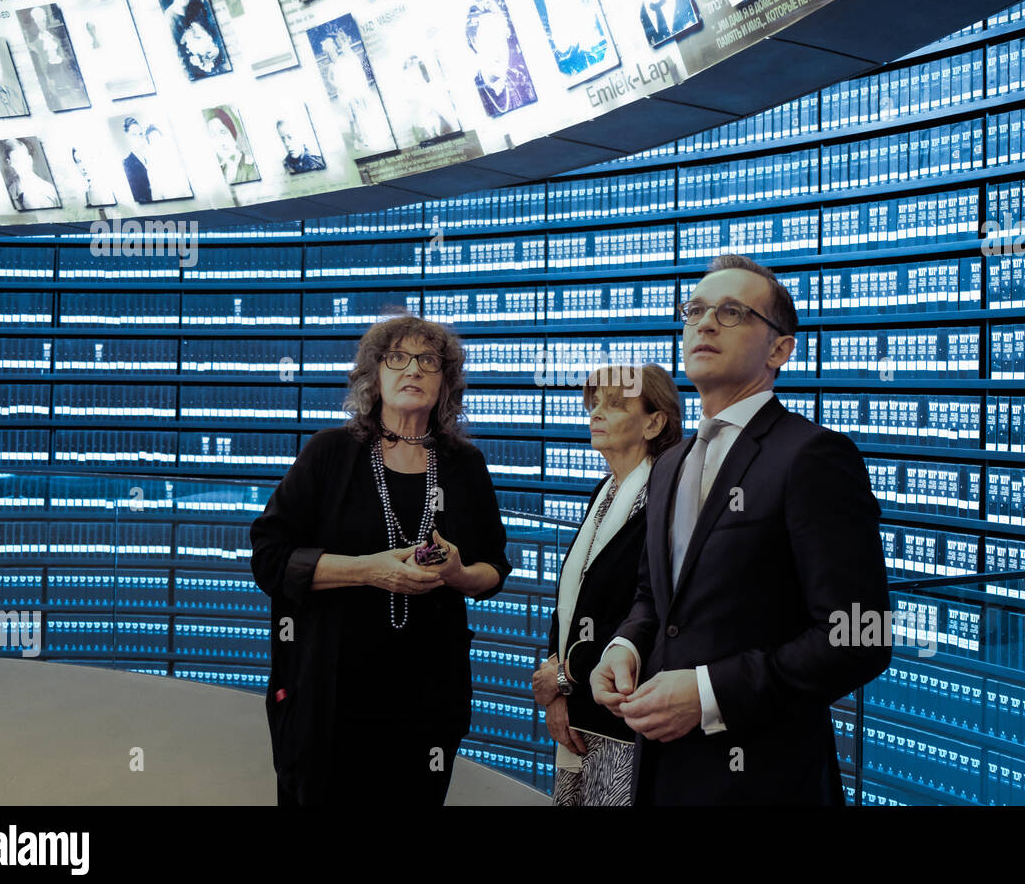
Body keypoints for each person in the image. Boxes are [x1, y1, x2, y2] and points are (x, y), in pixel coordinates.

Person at [590, 254, 892, 805]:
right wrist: (624, 647)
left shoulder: (813, 456)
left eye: (731, 312)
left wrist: (708, 694)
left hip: (764, 781)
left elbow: (858, 637)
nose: (704, 324)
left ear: (779, 348)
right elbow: (652, 601)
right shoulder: (671, 463)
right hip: (660, 774)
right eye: (696, 310)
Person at [250, 315, 512, 806]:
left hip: (427, 697)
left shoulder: (465, 465)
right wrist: (371, 569)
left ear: (445, 380)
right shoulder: (330, 453)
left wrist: (457, 573)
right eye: (397, 358)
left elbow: (494, 569)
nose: (412, 369)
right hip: (330, 695)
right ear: (375, 374)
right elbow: (270, 558)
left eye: (428, 360)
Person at [532, 363, 681, 805]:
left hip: (625, 721)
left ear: (654, 422)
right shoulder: (607, 490)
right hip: (580, 712)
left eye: (615, 404)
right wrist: (559, 692)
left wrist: (563, 677)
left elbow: (648, 611)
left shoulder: (664, 499)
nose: (596, 413)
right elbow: (574, 602)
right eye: (594, 403)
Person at [465, 0, 537, 117]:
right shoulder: (472, 95)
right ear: (474, 42)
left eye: (501, 38)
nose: (498, 50)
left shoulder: (522, 81)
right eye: (490, 39)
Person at [1, 139, 59, 210]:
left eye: (23, 159)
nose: (22, 165)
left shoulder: (47, 190)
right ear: (10, 163)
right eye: (17, 161)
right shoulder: (11, 190)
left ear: (30, 159)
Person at [206, 108, 260, 184]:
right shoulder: (219, 172)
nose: (221, 141)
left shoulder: (251, 165)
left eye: (223, 132)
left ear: (233, 132)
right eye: (213, 135)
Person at [120, 116, 152, 204]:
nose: (139, 138)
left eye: (140, 134)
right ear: (127, 137)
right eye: (134, 135)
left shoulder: (151, 158)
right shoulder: (126, 164)